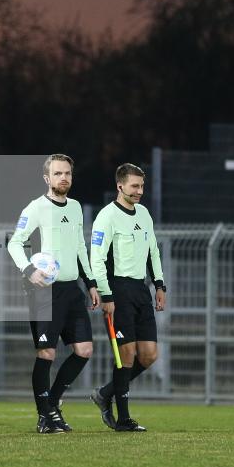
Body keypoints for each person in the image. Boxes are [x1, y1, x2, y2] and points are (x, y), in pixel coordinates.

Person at [7, 154, 99, 433]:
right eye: (58, 173)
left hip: (72, 289)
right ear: (47, 178)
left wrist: (91, 283)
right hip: (46, 291)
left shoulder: (75, 207)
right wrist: (29, 271)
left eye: (68, 173)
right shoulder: (35, 208)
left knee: (84, 350)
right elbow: (14, 243)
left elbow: (80, 248)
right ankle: (45, 416)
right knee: (46, 353)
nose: (64, 178)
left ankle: (53, 402)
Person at [89, 163, 166, 432]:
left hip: (140, 291)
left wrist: (159, 285)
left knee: (149, 355)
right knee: (127, 355)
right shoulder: (106, 217)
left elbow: (153, 252)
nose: (139, 191)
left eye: (142, 186)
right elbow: (96, 259)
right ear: (120, 186)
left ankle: (105, 393)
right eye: (135, 186)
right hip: (117, 290)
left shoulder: (144, 214)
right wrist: (106, 293)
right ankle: (123, 419)